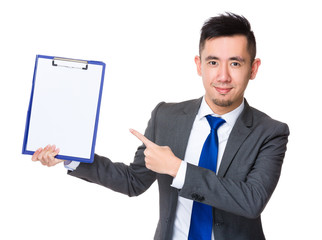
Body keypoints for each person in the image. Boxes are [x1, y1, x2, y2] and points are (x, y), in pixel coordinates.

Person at [32, 12, 290, 240]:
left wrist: (177, 168)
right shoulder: (166, 116)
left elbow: (251, 200)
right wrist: (73, 157)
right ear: (199, 65)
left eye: (235, 63)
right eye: (213, 62)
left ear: (253, 68)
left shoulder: (270, 132)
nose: (223, 75)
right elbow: (133, 181)